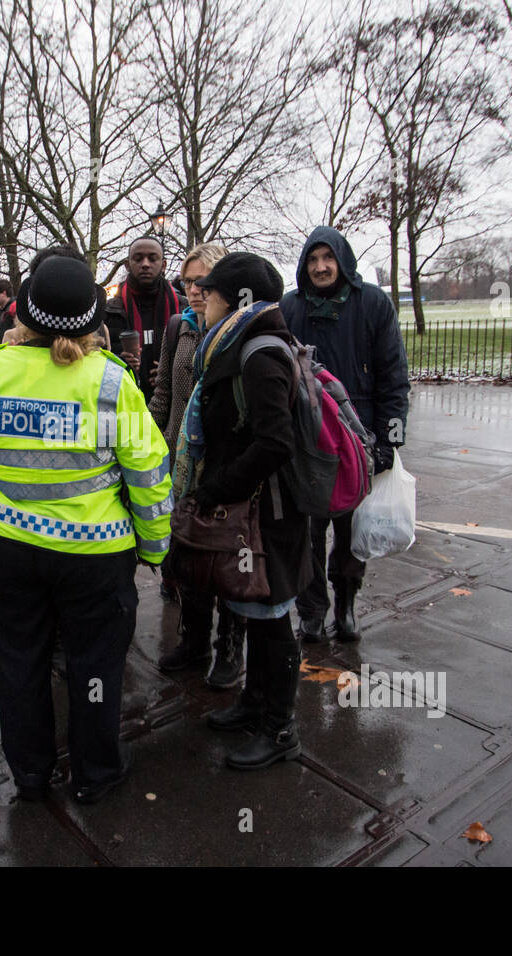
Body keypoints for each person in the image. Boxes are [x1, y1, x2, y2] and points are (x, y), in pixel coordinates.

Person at [0, 254, 172, 804]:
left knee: (20, 664)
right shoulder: (112, 383)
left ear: (22, 313)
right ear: (93, 320)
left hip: (7, 550)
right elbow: (148, 473)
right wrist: (155, 547)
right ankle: (95, 773)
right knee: (95, 666)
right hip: (95, 557)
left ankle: (32, 775)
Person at [174, 252, 313, 770]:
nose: (200, 299)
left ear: (236, 301)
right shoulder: (238, 343)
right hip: (259, 510)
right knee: (257, 614)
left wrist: (215, 490)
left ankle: (281, 730)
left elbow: (275, 443)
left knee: (273, 619)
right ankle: (255, 704)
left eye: (208, 292)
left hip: (269, 515)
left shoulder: (258, 352)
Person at [278, 226, 409, 644]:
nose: (320, 267)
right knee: (308, 533)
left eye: (327, 258)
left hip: (359, 437)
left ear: (342, 260)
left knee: (351, 530)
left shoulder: (372, 303)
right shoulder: (289, 307)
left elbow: (394, 376)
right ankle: (312, 611)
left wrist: (390, 440)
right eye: (313, 259)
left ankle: (347, 603)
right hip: (307, 440)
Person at [147, 242, 244, 687]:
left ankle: (229, 648)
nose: (194, 290)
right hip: (178, 461)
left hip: (224, 464)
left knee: (226, 559)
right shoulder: (176, 328)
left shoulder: (241, 330)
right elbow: (164, 393)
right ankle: (193, 641)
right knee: (187, 558)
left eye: (203, 280)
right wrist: (148, 443)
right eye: (187, 281)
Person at [102, 236, 182, 400]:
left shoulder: (185, 309)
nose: (145, 264)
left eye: (152, 259)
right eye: (138, 259)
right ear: (127, 265)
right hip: (125, 399)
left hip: (170, 405)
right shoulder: (108, 311)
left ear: (164, 265)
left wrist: (170, 373)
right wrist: (120, 363)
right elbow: (97, 360)